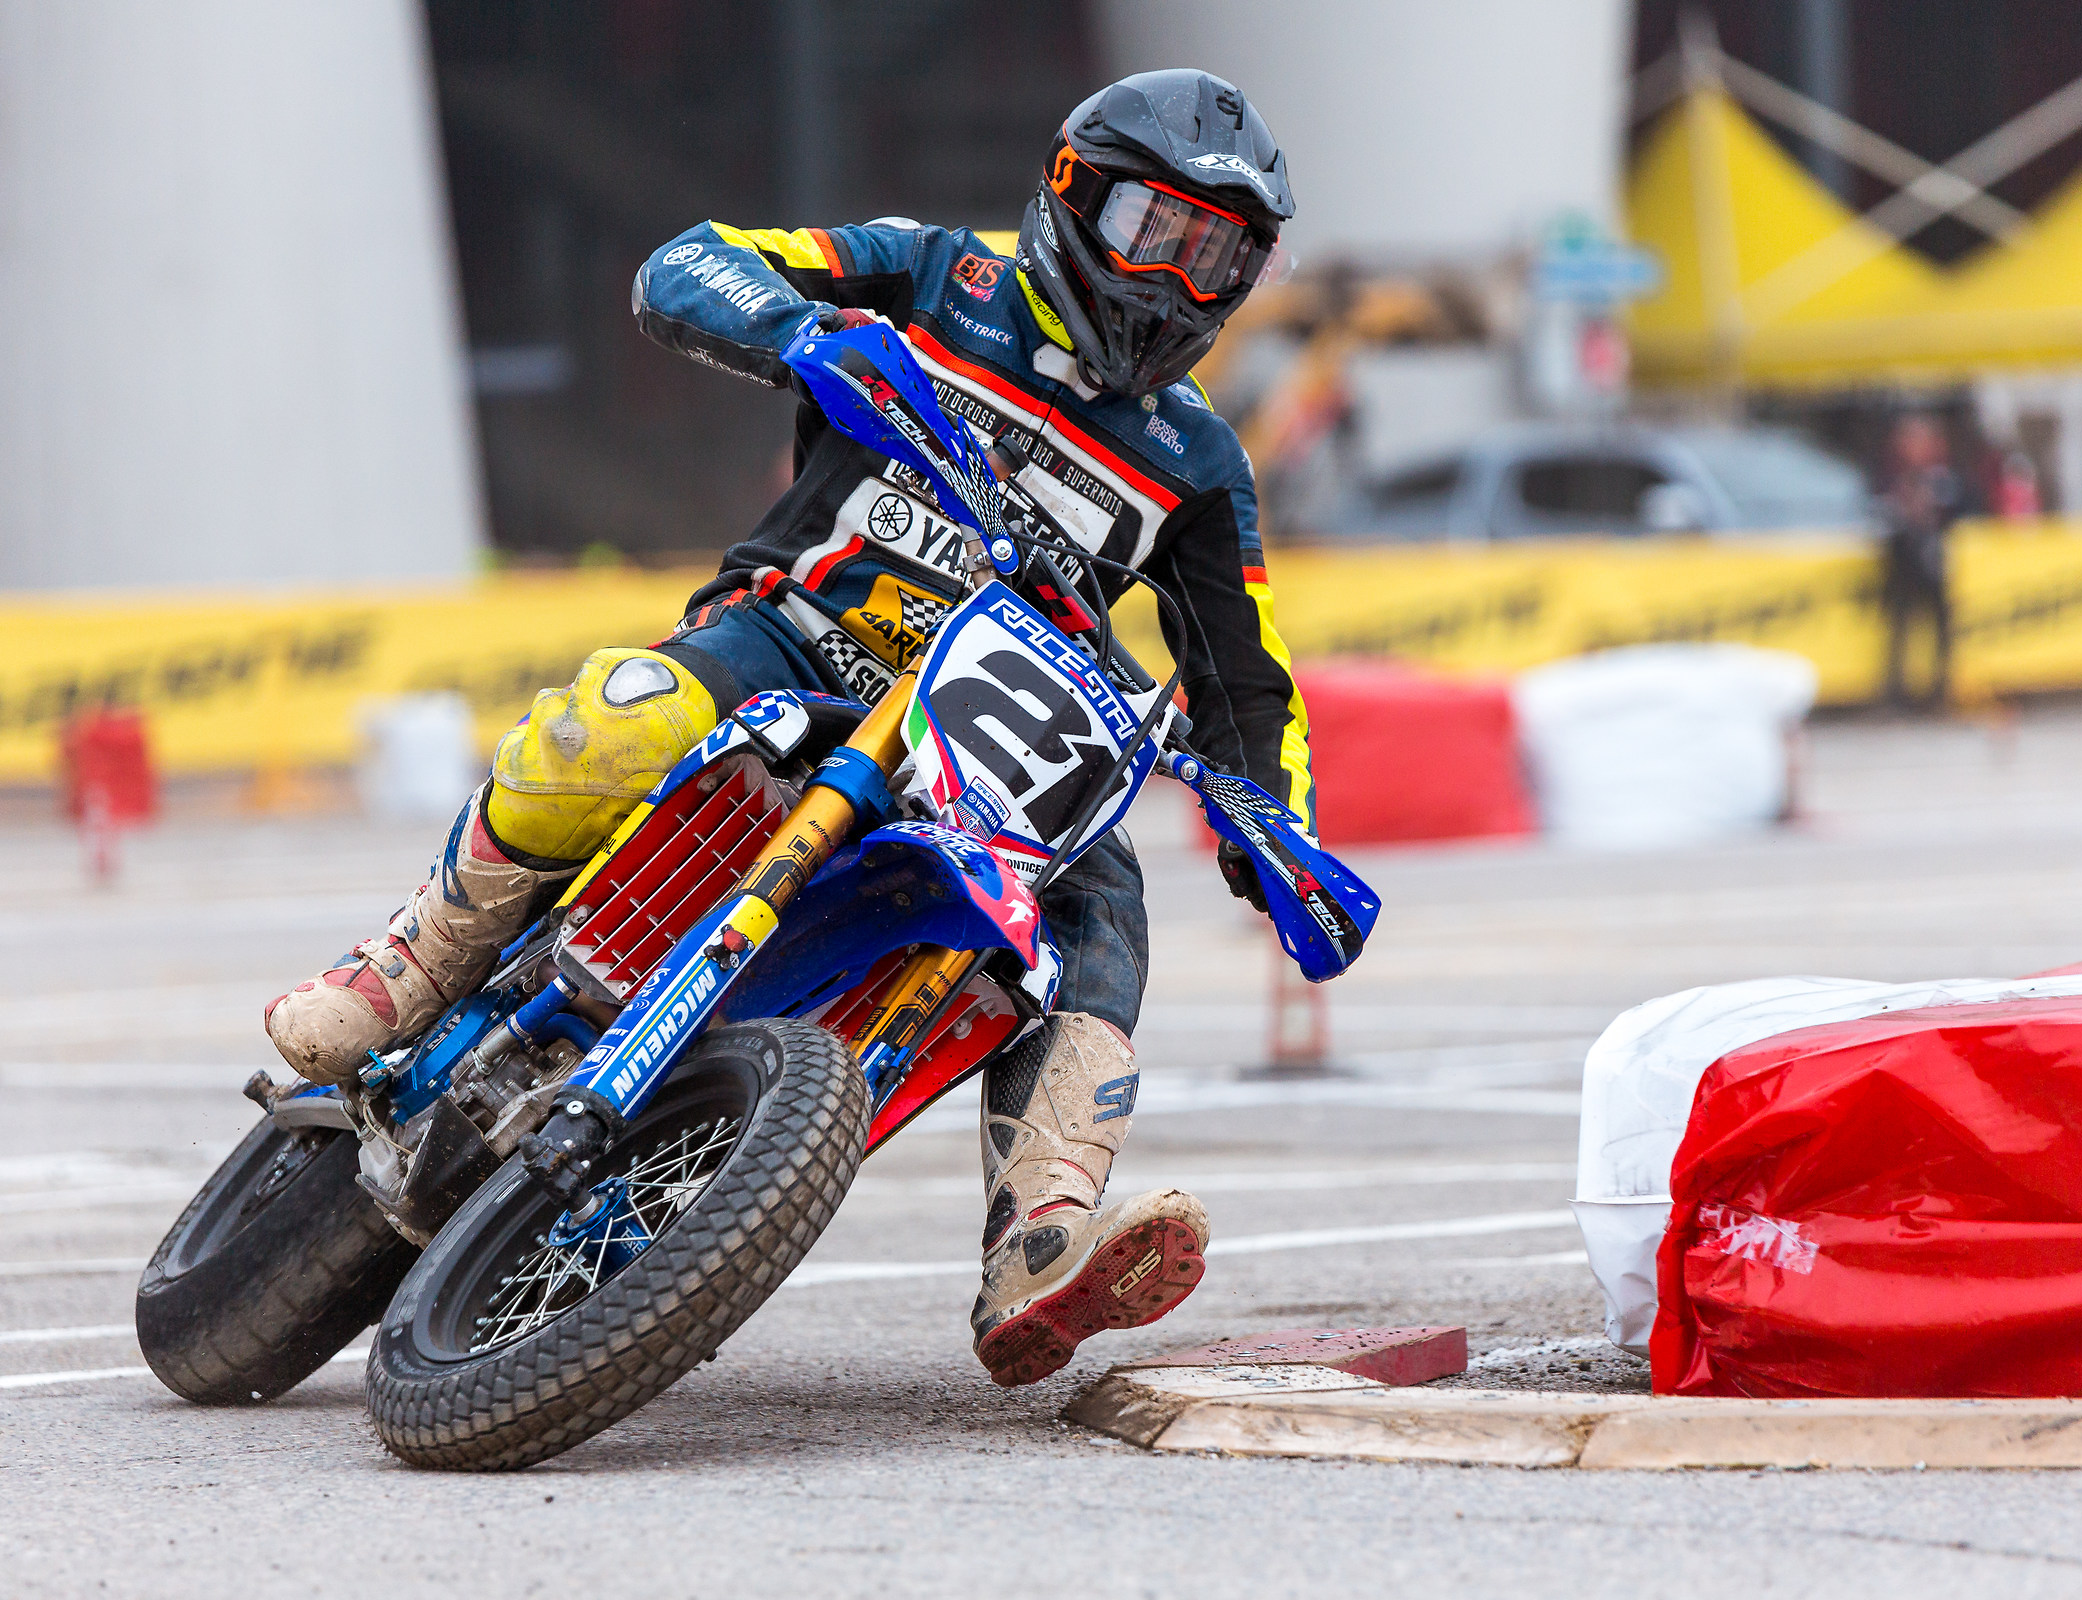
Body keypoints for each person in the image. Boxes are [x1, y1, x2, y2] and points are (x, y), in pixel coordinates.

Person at [262, 69, 1314, 1387]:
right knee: (621, 718)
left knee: (1103, 920)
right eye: (1156, 234)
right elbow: (692, 266)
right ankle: (413, 961)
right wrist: (805, 334)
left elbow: (1249, 676)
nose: (1176, 284)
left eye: (1219, 259)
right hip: (798, 640)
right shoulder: (937, 278)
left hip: (995, 757)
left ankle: (1039, 1243)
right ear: (1073, 197)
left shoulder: (1199, 459)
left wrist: (1272, 820)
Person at [1879, 414, 1964, 709]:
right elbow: (1881, 520)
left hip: (1933, 569)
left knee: (1940, 631)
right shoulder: (1890, 478)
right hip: (1903, 569)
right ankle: (1896, 693)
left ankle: (1938, 691)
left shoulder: (1944, 478)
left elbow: (1960, 513)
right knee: (1899, 631)